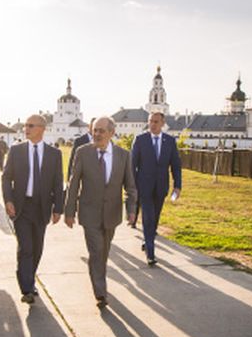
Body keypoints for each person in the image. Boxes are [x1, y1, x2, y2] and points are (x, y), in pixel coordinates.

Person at [65, 116, 137, 308]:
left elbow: (130, 186)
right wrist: (69, 211)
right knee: (96, 251)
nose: (96, 134)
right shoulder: (83, 152)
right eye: (94, 130)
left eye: (101, 131)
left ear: (112, 133)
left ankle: (99, 280)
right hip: (89, 213)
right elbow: (74, 183)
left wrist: (131, 210)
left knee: (103, 251)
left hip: (112, 214)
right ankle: (101, 292)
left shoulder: (123, 155)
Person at [2, 114, 64, 304]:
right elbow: (6, 177)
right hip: (22, 206)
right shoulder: (16, 151)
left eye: (30, 125)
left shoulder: (54, 154)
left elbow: (58, 182)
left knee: (37, 248)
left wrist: (58, 208)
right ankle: (27, 288)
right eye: (25, 125)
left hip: (42, 207)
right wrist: (8, 200)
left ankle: (29, 279)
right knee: (26, 247)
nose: (26, 129)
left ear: (42, 128)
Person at [131, 111, 182, 266]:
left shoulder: (170, 141)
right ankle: (150, 253)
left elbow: (175, 165)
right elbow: (132, 165)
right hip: (144, 187)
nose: (152, 124)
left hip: (161, 186)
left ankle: (147, 240)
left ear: (162, 123)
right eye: (150, 121)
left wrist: (177, 186)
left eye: (156, 122)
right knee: (148, 217)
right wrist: (133, 187)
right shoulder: (140, 140)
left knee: (155, 218)